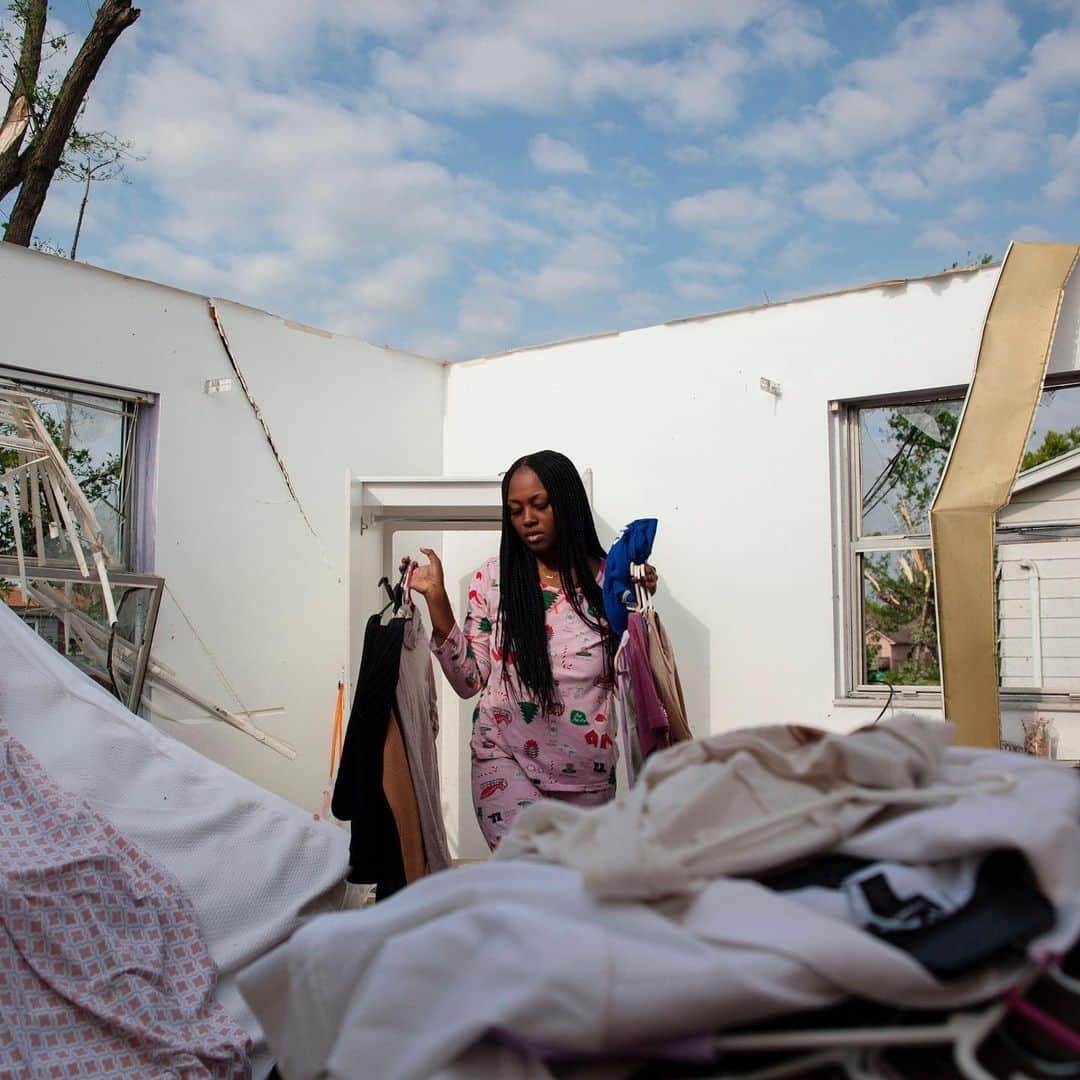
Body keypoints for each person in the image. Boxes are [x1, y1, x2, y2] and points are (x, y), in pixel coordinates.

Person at [405, 450, 656, 851]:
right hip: (503, 758)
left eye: (540, 505)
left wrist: (638, 600)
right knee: (526, 875)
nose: (527, 519)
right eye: (516, 509)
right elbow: (470, 681)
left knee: (571, 895)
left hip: (585, 773)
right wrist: (436, 599)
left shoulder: (607, 582)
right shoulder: (493, 578)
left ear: (568, 503)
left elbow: (635, 673)